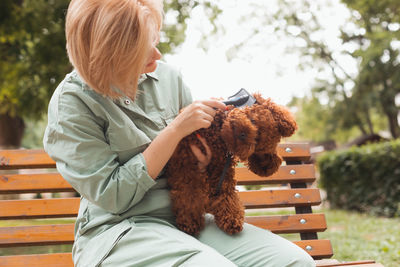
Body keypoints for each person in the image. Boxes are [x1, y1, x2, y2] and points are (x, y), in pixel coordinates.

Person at [43, 0, 316, 266]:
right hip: (120, 230)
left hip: (187, 217)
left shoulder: (169, 78)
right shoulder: (72, 103)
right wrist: (173, 132)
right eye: (142, 47)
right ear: (109, 52)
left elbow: (195, 162)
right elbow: (113, 196)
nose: (156, 54)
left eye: (154, 39)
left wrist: (206, 160)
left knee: (295, 261)